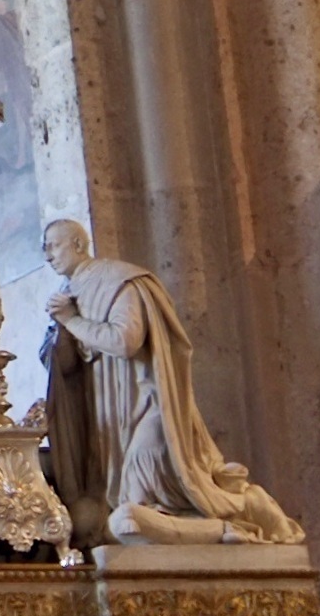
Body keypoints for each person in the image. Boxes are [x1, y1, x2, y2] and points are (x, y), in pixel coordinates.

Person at [40, 216, 299, 544]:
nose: (47, 255)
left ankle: (247, 511)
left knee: (148, 501)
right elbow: (65, 368)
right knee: (122, 514)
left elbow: (125, 341)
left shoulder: (118, 280)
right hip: (107, 417)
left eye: (53, 246)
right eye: (43, 248)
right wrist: (61, 331)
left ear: (78, 244)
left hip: (146, 406)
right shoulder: (66, 294)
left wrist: (72, 321)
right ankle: (228, 527)